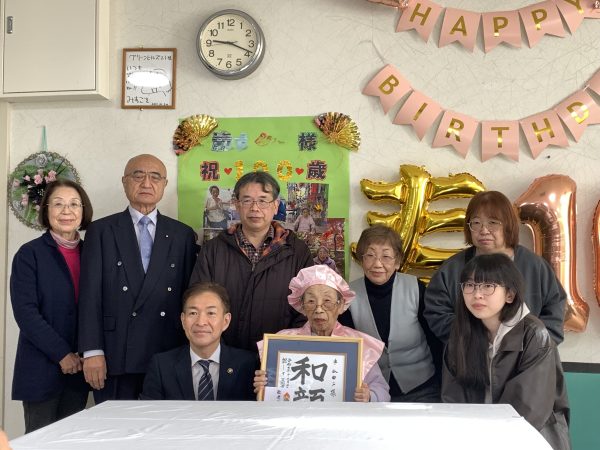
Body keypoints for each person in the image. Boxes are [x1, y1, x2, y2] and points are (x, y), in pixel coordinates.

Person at [78, 154, 197, 402]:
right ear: (124, 181)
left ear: (164, 184)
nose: (146, 183)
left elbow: (189, 297)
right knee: (116, 425)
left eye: (155, 177)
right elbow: (90, 296)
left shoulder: (182, 235)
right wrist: (92, 351)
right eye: (138, 175)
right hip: (115, 352)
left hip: (167, 350)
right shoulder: (101, 231)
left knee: (165, 425)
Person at [442, 253, 570, 450]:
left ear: (510, 294)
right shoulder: (460, 335)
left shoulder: (535, 335)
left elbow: (528, 409)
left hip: (529, 438)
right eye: (470, 285)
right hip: (476, 438)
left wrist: (488, 441)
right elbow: (453, 401)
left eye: (488, 286)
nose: (477, 294)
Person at [190, 171, 313, 352]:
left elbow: (309, 307)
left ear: (275, 206)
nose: (255, 208)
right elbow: (198, 302)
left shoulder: (297, 251)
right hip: (223, 356)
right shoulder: (214, 249)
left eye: (263, 201)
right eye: (247, 200)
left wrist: (283, 351)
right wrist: (220, 352)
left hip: (280, 357)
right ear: (237, 204)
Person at [424, 190, 566, 344]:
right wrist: (472, 340)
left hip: (527, 355)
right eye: (476, 223)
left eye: (493, 223)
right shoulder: (452, 268)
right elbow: (436, 313)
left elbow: (554, 312)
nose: (484, 230)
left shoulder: (534, 266)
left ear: (508, 225)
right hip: (469, 354)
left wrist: (533, 345)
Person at [10, 180, 93, 433]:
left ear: (83, 211)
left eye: (74, 204)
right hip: (41, 368)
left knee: (70, 441)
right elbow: (26, 313)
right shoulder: (29, 254)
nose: (66, 211)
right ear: (46, 210)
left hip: (79, 370)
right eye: (58, 204)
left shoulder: (92, 253)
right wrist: (61, 354)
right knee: (40, 442)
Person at [254, 265, 390, 402]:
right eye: (311, 302)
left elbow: (382, 391)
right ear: (302, 306)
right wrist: (265, 387)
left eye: (327, 301)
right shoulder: (283, 341)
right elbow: (272, 391)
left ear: (341, 305)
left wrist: (369, 396)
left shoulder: (358, 345)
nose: (318, 309)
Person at [339, 225, 441, 402]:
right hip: (370, 392)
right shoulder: (348, 296)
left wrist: (442, 382)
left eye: (386, 256)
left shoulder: (416, 289)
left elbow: (435, 340)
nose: (377, 264)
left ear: (397, 261)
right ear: (361, 260)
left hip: (421, 388)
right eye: (370, 255)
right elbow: (345, 347)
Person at [141, 282, 257, 401]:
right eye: (193, 313)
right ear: (183, 320)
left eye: (211, 313)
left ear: (226, 321)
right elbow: (148, 411)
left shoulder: (249, 365)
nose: (201, 322)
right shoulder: (161, 366)